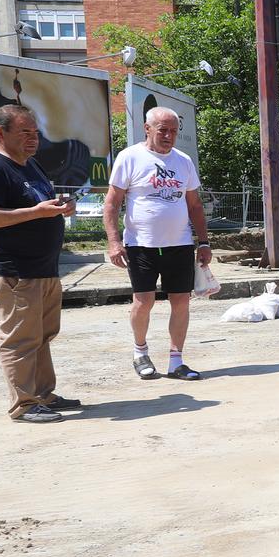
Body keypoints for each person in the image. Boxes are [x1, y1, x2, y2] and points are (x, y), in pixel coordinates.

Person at [0, 104, 82, 423]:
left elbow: (40, 203)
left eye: (36, 133)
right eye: (25, 133)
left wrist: (60, 206)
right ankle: (25, 404)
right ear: (0, 132)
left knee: (42, 335)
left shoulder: (29, 165)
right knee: (21, 338)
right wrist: (36, 213)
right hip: (12, 269)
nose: (33, 139)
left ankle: (43, 394)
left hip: (41, 267)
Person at [105, 106, 210, 381]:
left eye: (173, 131)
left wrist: (204, 242)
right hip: (141, 245)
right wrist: (114, 242)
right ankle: (140, 353)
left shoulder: (184, 161)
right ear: (147, 129)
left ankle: (177, 361)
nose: (168, 135)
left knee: (181, 300)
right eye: (163, 129)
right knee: (144, 300)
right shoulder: (130, 157)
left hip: (180, 244)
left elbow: (195, 205)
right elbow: (112, 203)